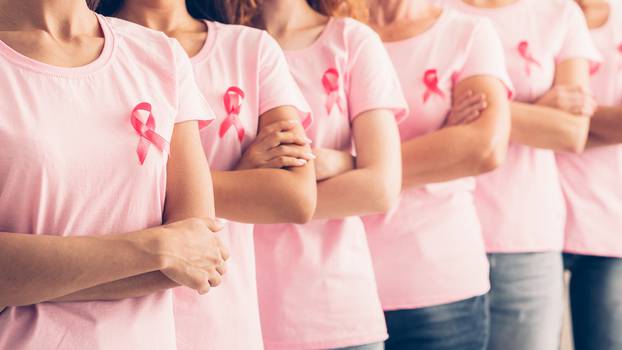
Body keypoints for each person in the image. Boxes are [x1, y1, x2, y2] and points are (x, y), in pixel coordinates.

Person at [0, 0, 229, 349]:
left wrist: (28, 279)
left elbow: (199, 252)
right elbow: (177, 251)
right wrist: (158, 246)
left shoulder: (159, 55)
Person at [94, 0, 318, 349]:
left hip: (222, 323)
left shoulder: (250, 48)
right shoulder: (85, 53)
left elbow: (295, 198)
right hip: (114, 324)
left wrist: (159, 185)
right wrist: (239, 179)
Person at [219, 0, 408, 349]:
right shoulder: (221, 44)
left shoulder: (352, 41)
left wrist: (261, 193)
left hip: (335, 311)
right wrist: (344, 163)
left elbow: (380, 188)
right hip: (236, 313)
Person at [438, 0, 601, 349]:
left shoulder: (559, 13)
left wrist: (477, 108)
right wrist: (538, 113)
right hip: (437, 240)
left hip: (527, 241)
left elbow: (571, 134)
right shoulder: (429, 12)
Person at [360, 1, 512, 349]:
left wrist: (344, 165)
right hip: (333, 288)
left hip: (438, 283)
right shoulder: (328, 35)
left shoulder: (467, 33)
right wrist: (439, 147)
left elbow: (483, 148)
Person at [558, 1, 622, 349]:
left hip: (609, 227)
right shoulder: (540, 16)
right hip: (535, 229)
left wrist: (558, 120)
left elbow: (559, 128)